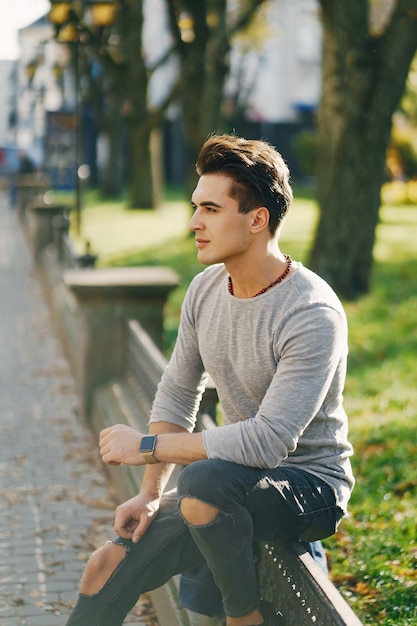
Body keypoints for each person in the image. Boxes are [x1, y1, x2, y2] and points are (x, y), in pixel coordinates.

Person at [66, 134, 354, 626]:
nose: (194, 222)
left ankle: (242, 616)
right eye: (195, 206)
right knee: (104, 569)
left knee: (202, 487)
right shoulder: (205, 290)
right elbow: (178, 392)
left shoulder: (310, 312)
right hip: (222, 486)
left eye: (211, 209)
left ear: (257, 219)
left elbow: (268, 442)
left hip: (308, 485)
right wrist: (150, 492)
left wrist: (149, 446)